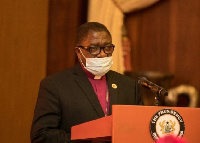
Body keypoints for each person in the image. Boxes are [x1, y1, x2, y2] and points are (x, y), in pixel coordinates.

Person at [30, 22, 143, 143]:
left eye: (108, 47)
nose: (103, 54)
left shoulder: (129, 86)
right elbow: (41, 135)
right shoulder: (55, 85)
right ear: (79, 52)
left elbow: (140, 130)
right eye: (94, 49)